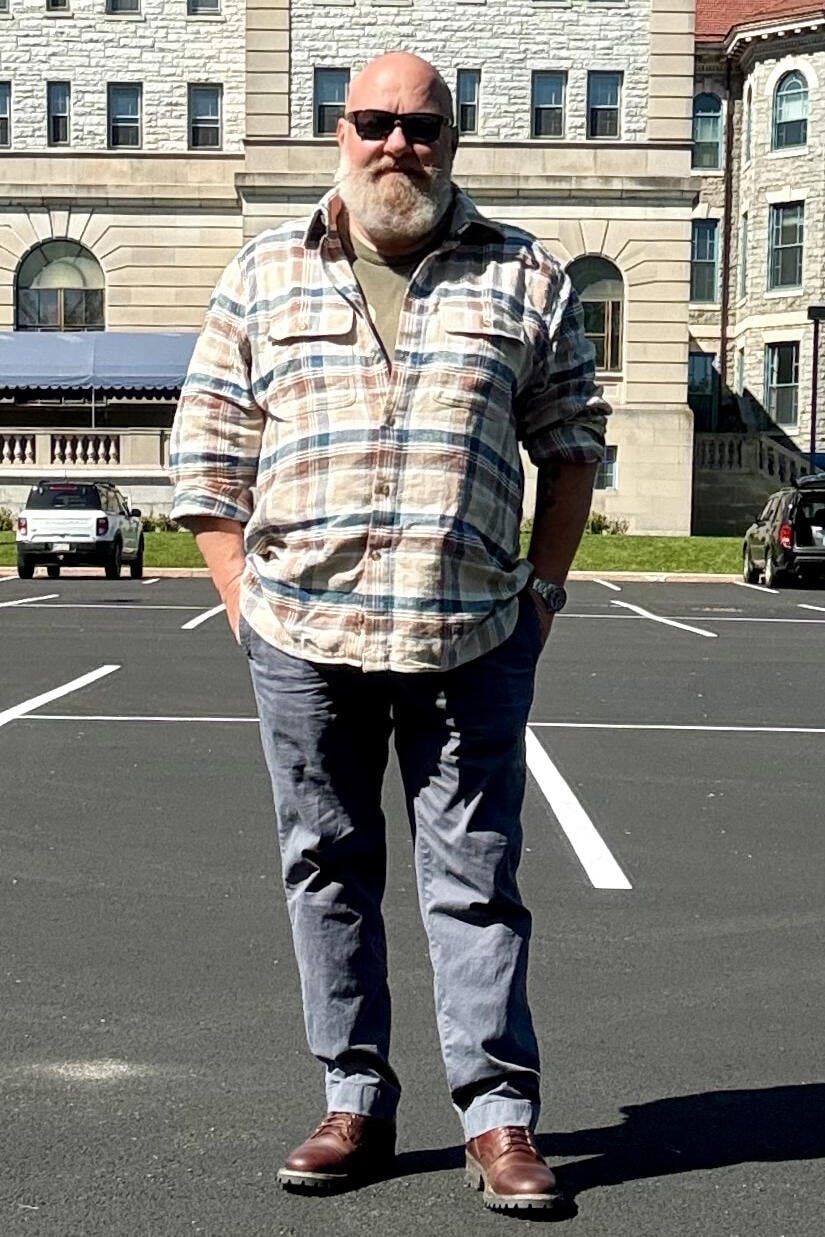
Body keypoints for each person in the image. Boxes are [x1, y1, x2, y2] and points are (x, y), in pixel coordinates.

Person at [169, 51, 610, 1213]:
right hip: (302, 637)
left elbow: (573, 444)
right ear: (340, 132)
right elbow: (206, 457)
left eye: (422, 126)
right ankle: (353, 1098)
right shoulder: (265, 272)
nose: (396, 144)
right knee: (326, 867)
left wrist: (542, 594)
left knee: (475, 877)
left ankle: (499, 1118)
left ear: (453, 139)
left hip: (470, 637)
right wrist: (243, 603)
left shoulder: (526, 275)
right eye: (373, 122)